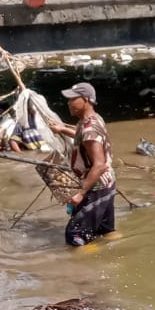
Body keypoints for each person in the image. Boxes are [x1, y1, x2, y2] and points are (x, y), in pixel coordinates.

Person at [50, 82, 116, 246]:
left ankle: (89, 268)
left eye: (73, 99)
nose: (69, 103)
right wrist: (62, 129)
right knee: (105, 231)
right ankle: (113, 253)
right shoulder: (91, 120)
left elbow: (99, 164)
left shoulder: (89, 129)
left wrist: (80, 193)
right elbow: (82, 136)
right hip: (107, 183)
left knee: (75, 237)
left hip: (96, 187)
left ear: (86, 100)